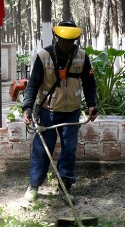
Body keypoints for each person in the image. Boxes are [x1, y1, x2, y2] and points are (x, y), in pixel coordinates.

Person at [22, 20, 98, 203]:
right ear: (57, 37)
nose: (67, 44)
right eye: (64, 40)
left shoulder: (82, 56)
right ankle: (34, 185)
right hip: (48, 111)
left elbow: (89, 84)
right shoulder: (43, 56)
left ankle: (65, 187)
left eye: (71, 41)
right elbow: (33, 85)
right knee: (42, 150)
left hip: (71, 111)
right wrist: (27, 107)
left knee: (69, 150)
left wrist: (91, 105)